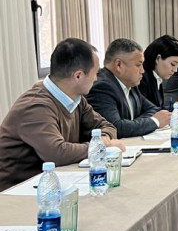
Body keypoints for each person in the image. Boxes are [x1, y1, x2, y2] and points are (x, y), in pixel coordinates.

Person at [0, 38, 124, 191]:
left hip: (53, 185)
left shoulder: (77, 99)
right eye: (95, 73)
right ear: (78, 76)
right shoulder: (35, 106)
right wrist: (102, 146)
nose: (96, 79)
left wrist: (102, 140)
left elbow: (107, 126)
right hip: (16, 193)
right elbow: (57, 153)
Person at [87, 39, 172, 138]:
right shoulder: (102, 87)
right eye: (138, 65)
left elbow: (154, 109)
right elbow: (115, 128)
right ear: (119, 65)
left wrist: (132, 124)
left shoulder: (130, 83)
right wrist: (154, 121)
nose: (142, 71)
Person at [139, 35, 178, 114]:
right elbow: (150, 112)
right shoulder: (141, 78)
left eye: (177, 65)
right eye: (173, 64)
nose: (175, 70)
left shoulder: (157, 77)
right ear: (158, 58)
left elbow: (157, 108)